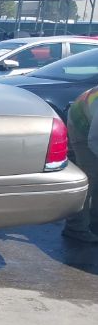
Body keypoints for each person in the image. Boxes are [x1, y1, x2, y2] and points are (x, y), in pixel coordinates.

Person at [63, 86, 98, 243]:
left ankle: (94, 219)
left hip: (92, 120)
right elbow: (93, 139)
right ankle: (75, 227)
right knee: (90, 175)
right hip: (81, 124)